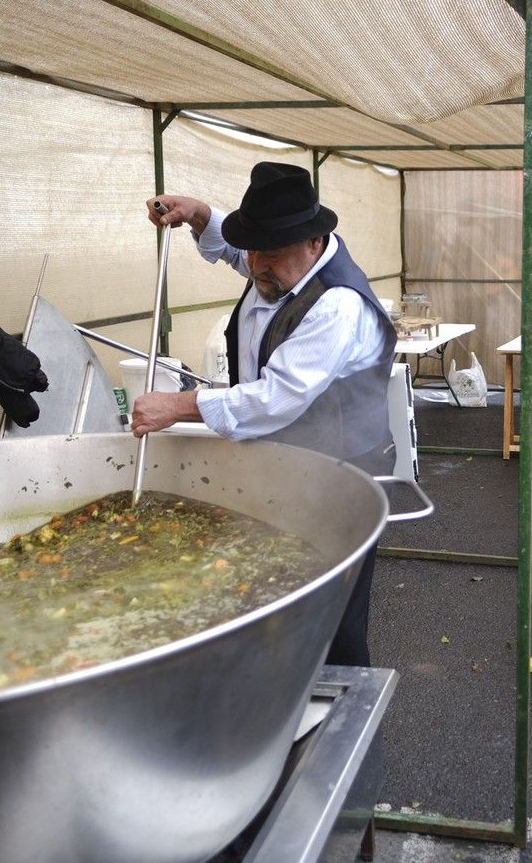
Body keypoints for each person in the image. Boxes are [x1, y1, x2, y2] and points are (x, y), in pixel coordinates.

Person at [135, 161, 397, 668]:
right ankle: (278, 696)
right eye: (254, 250)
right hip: (287, 461)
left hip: (343, 472)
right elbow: (241, 254)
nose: (256, 266)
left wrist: (176, 406)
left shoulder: (337, 306)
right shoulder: (279, 264)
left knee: (330, 610)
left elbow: (275, 397)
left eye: (270, 254)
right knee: (276, 591)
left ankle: (345, 724)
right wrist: (200, 215)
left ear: (315, 244)